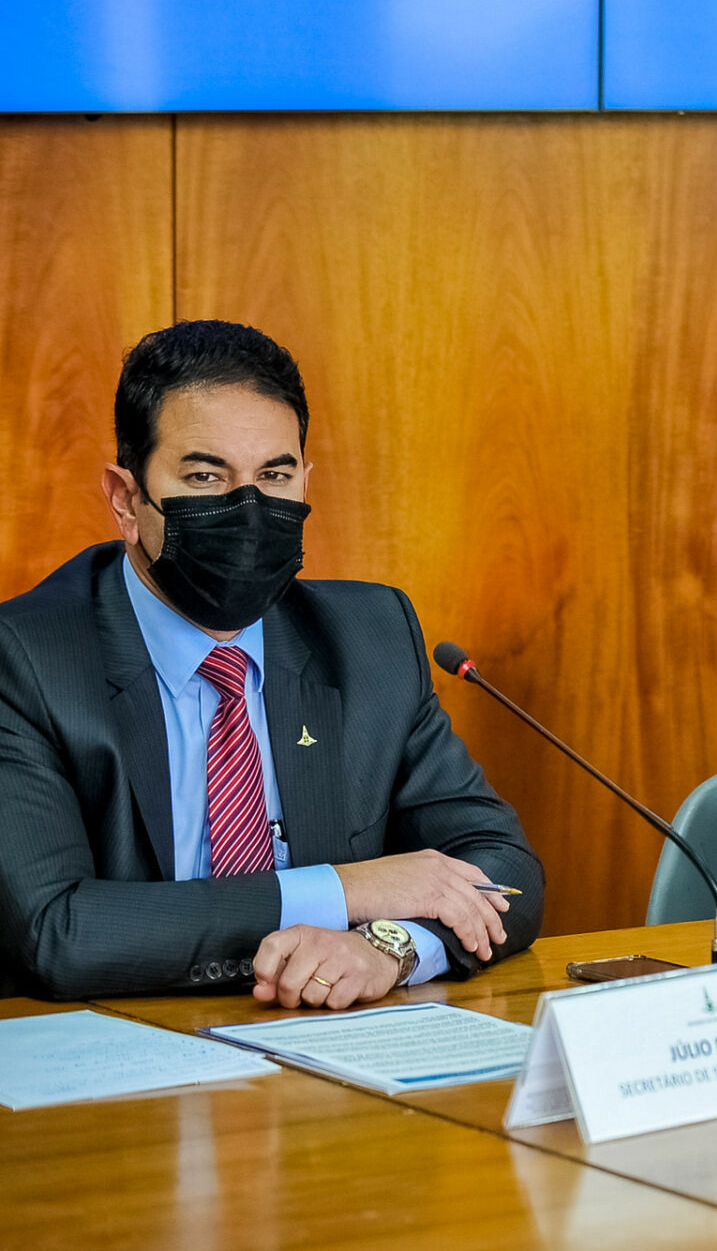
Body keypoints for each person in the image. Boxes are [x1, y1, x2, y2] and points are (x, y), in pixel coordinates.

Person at [0, 320, 544, 1004]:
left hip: (322, 1050)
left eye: (275, 475)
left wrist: (388, 947)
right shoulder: (26, 660)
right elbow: (60, 931)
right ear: (125, 497)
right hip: (112, 1064)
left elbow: (503, 870)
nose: (249, 506)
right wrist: (347, 890)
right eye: (205, 474)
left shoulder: (369, 638)